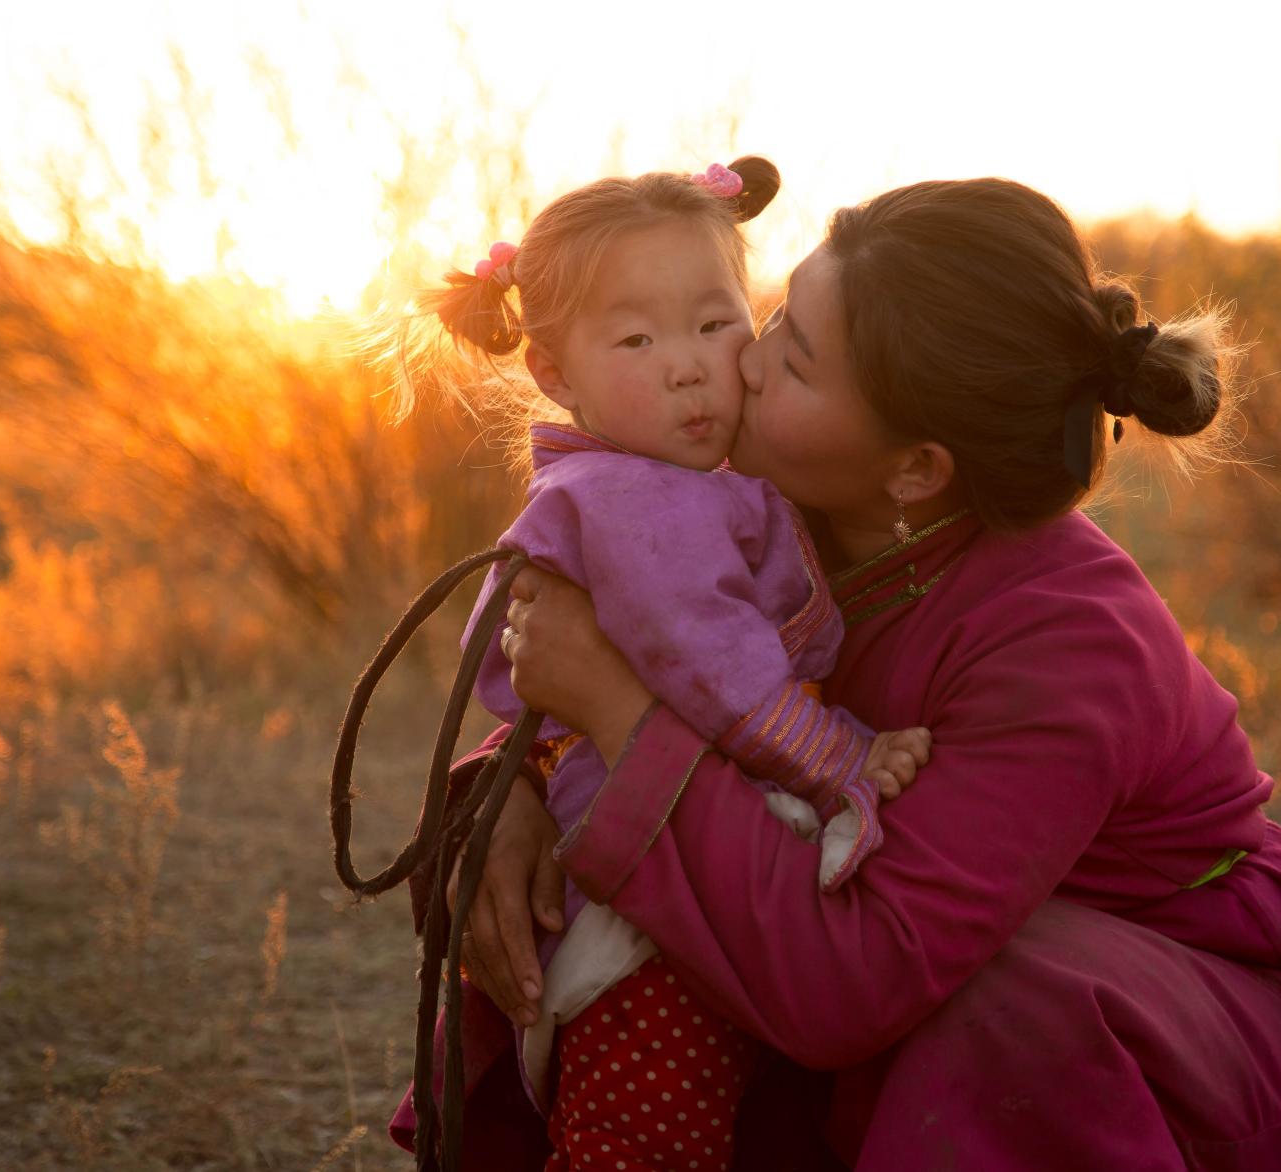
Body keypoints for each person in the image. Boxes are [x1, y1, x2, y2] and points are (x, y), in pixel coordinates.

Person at [435, 177, 1281, 1170]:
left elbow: (855, 978)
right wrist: (517, 786)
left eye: (796, 363)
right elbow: (673, 658)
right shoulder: (760, 502)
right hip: (915, 989)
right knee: (603, 933)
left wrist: (615, 714)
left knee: (993, 999)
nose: (746, 365)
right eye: (770, 319)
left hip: (1182, 1028)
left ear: (914, 470)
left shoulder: (1069, 643)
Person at [388, 157, 929, 1171]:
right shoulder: (640, 502)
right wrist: (840, 754)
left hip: (674, 850)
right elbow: (715, 665)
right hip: (645, 902)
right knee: (644, 1137)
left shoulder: (671, 479)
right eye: (636, 339)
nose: (687, 363)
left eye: (716, 322)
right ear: (555, 372)